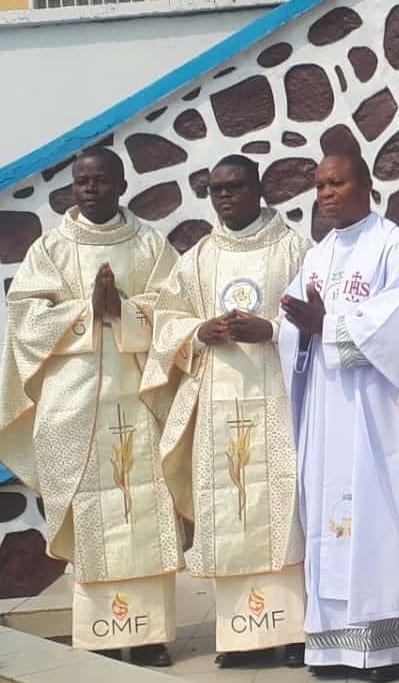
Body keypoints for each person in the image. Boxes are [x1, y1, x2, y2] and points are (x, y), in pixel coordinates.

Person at [0, 147, 181, 666]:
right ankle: (102, 633)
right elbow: (25, 321)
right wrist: (84, 312)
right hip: (75, 408)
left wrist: (123, 309)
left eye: (100, 180)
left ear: (121, 186)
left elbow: (177, 308)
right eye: (81, 181)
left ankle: (149, 636)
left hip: (139, 401)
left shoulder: (149, 245)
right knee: (93, 512)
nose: (90, 188)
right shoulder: (49, 249)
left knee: (141, 508)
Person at [140, 154, 312, 669]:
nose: (225, 197)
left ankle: (296, 633)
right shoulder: (196, 260)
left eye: (235, 187)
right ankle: (242, 637)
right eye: (216, 190)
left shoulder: (296, 248)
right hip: (220, 406)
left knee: (285, 511)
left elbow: (322, 316)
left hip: (280, 402)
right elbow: (166, 321)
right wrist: (199, 332)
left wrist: (273, 332)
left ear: (259, 189)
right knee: (234, 508)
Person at [278, 153, 399, 681]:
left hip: (374, 406)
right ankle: (333, 645)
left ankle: (388, 646)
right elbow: (294, 324)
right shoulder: (317, 256)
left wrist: (331, 324)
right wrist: (298, 328)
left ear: (366, 185)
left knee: (378, 511)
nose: (325, 194)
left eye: (336, 183)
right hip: (327, 406)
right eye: (319, 185)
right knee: (328, 514)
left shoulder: (395, 245)